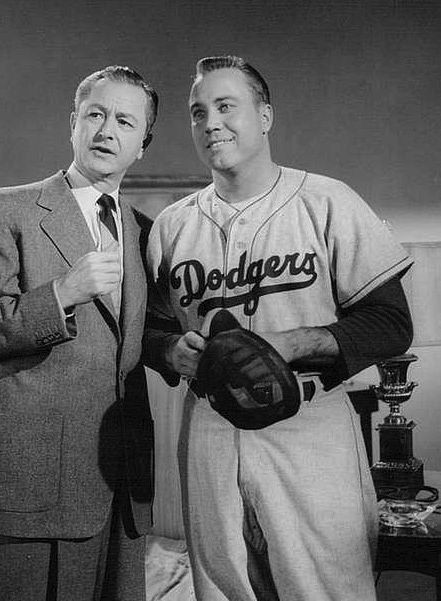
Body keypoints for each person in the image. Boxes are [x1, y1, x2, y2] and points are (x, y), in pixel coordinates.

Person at [143, 55, 413, 601]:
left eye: (226, 106)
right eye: (198, 112)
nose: (211, 123)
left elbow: (391, 324)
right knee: (223, 587)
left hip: (309, 422)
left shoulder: (327, 200)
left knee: (327, 587)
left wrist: (293, 342)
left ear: (265, 116)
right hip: (210, 426)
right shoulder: (173, 224)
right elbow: (149, 331)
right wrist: (171, 350)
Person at [0, 65, 158, 601]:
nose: (106, 130)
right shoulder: (4, 209)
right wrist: (61, 293)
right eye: (95, 114)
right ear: (73, 124)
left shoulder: (145, 231)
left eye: (125, 122)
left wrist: (177, 351)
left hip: (125, 485)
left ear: (142, 145)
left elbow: (136, 341)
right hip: (39, 486)